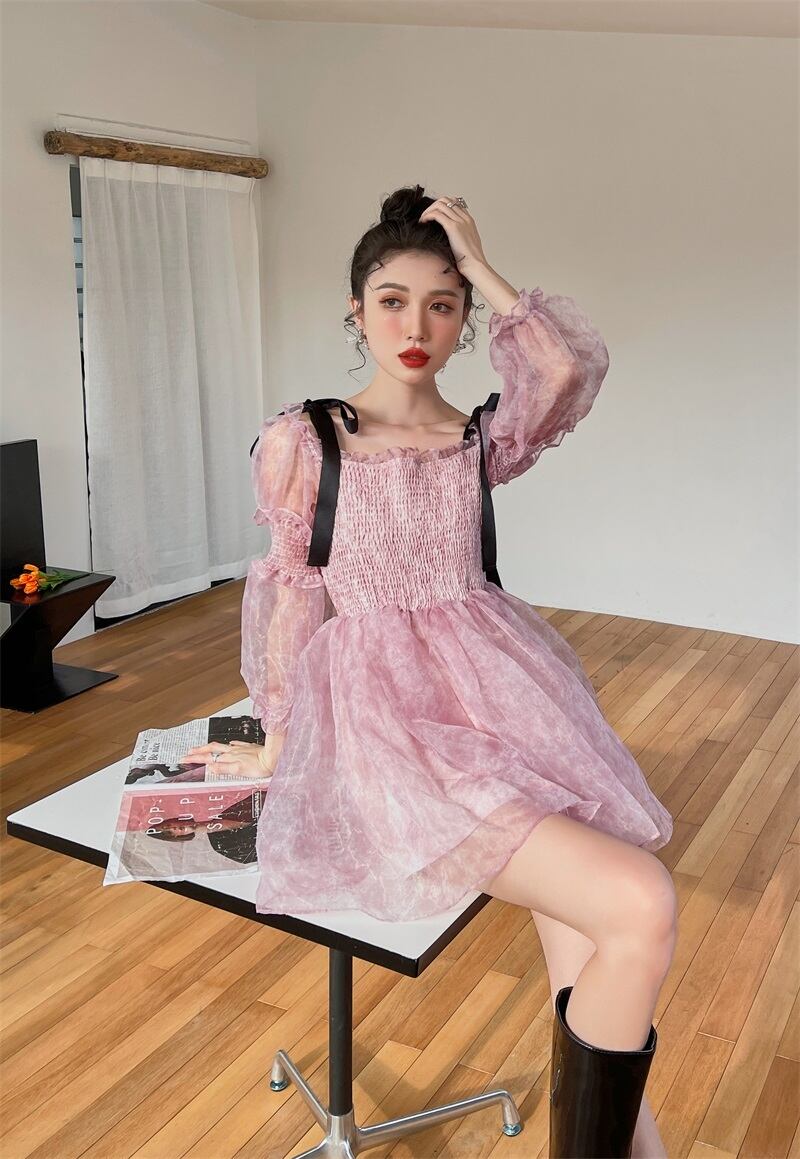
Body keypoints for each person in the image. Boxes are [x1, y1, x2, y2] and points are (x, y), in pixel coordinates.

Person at [181, 185, 677, 1157]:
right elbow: (288, 594)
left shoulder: (476, 439)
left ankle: (625, 1142)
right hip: (389, 728)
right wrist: (278, 738)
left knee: (584, 932)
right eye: (392, 300)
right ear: (356, 310)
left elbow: (569, 367)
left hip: (502, 697)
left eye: (443, 304)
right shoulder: (304, 440)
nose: (416, 327)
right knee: (638, 900)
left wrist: (483, 262)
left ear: (464, 320)